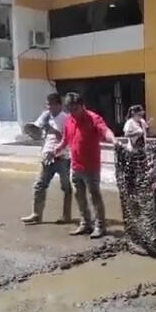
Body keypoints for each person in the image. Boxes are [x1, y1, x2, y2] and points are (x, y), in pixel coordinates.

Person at [53, 92, 120, 239]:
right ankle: (85, 224)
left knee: (94, 196)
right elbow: (65, 139)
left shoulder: (93, 118)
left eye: (75, 109)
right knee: (79, 196)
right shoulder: (69, 121)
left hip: (91, 166)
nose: (73, 113)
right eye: (70, 110)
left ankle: (100, 226)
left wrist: (114, 141)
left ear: (83, 106)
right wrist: (59, 147)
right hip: (75, 166)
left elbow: (105, 130)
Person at [21, 93, 72, 225]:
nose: (48, 107)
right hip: (47, 155)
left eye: (51, 105)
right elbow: (37, 133)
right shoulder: (45, 116)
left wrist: (52, 130)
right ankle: (36, 214)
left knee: (66, 187)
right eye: (47, 104)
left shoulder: (66, 119)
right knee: (39, 185)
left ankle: (66, 215)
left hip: (62, 157)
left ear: (58, 105)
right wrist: (33, 130)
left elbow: (67, 139)